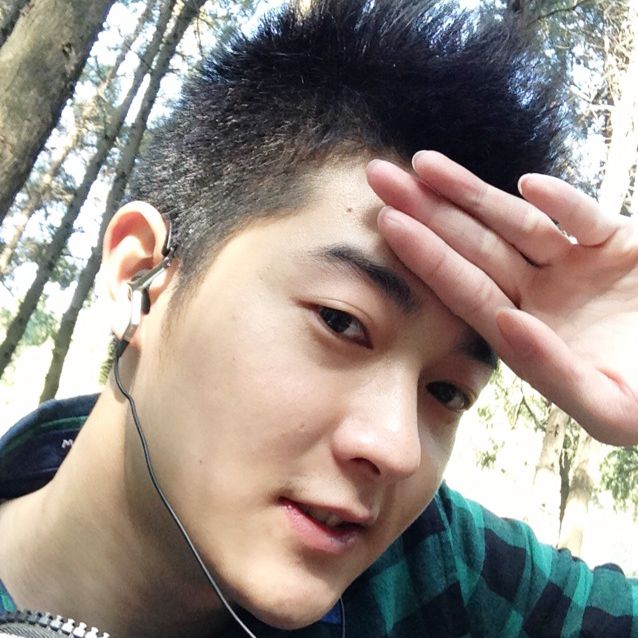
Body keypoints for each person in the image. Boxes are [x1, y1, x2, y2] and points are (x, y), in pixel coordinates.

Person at [1, 0, 637, 636]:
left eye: (447, 392)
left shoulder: (429, 567)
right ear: (141, 277)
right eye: (340, 321)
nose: (396, 448)